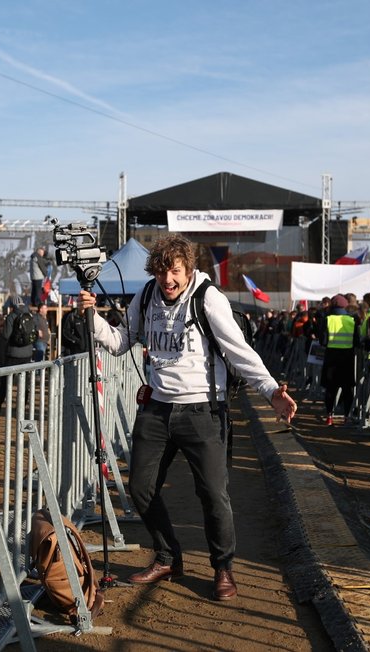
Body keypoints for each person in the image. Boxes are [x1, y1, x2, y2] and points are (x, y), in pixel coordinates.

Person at [77, 234, 296, 601]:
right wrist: (91, 315)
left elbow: (239, 351)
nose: (168, 281)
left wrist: (272, 391)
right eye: (162, 273)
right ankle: (167, 557)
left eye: (175, 272)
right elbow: (118, 342)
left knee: (213, 494)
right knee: (141, 488)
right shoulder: (147, 296)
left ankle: (223, 568)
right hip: (157, 408)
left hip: (203, 412)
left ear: (189, 269)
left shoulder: (208, 298)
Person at [319, 294, 359, 426]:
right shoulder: (352, 319)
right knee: (347, 389)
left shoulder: (328, 319)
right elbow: (357, 341)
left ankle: (329, 416)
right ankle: (347, 417)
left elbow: (323, 341)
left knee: (331, 389)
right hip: (347, 358)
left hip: (331, 358)